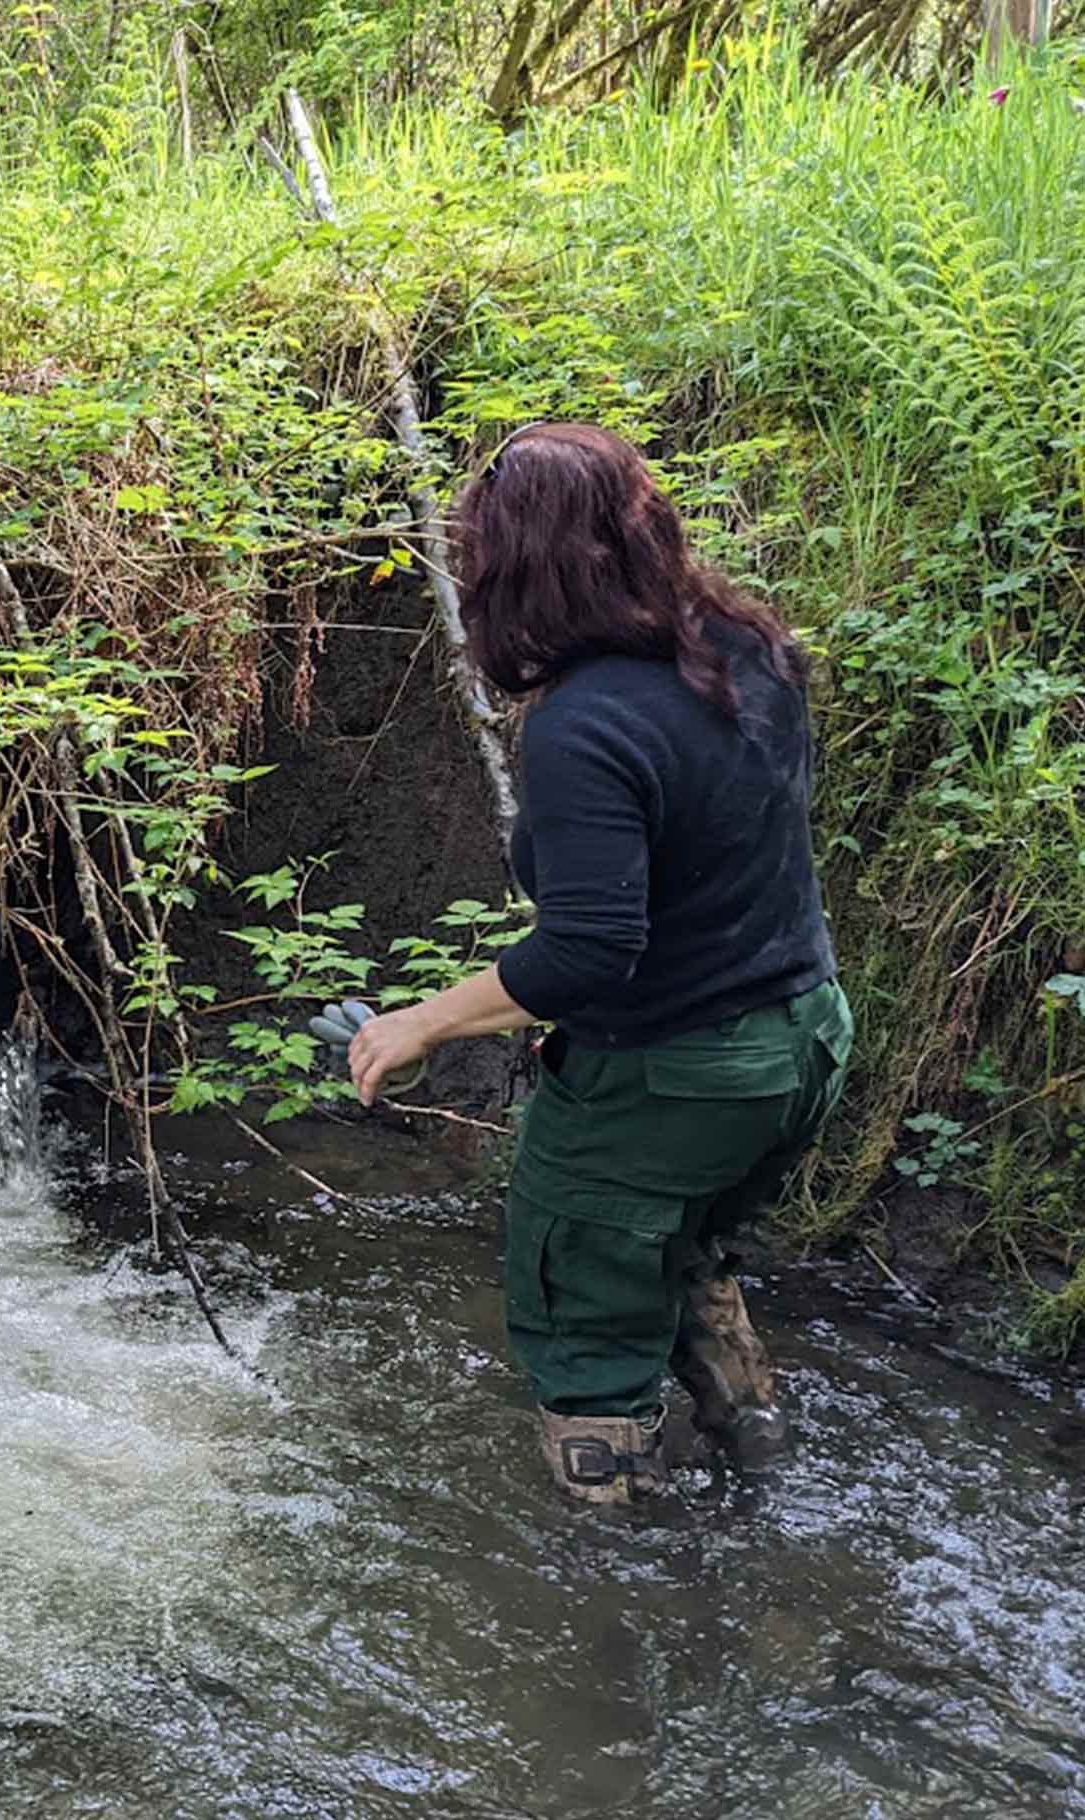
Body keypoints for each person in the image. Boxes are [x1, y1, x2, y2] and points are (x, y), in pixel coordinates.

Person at [338, 422, 851, 1506]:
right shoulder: (745, 646)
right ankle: (760, 1498)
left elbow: (586, 948)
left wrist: (421, 1021)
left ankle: (615, 1606)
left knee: (582, 1315)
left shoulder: (584, 727)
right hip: (801, 1041)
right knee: (685, 1255)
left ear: (509, 571)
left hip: (669, 1080)